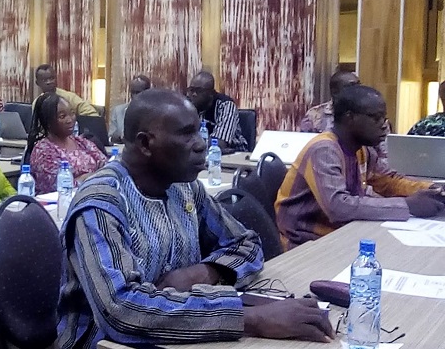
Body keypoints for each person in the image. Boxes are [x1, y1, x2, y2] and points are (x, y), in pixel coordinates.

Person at [58, 88, 334, 348]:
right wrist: (251, 318)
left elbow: (247, 244)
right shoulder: (102, 203)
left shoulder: (184, 187)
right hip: (103, 344)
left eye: (199, 131)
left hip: (177, 337)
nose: (201, 144)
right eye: (187, 134)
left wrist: (203, 272)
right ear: (145, 143)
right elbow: (122, 311)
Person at [276, 85, 444, 249]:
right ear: (349, 118)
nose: (383, 125)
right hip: (305, 243)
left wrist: (433, 189)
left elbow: (388, 181)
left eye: (384, 118)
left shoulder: (362, 149)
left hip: (341, 233)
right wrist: (408, 205)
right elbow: (338, 207)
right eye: (376, 118)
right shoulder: (324, 150)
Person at [28, 92, 107, 194]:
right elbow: (60, 187)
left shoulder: (82, 142)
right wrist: (94, 176)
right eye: (62, 116)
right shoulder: (43, 151)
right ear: (48, 122)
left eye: (72, 113)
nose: (70, 120)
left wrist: (83, 178)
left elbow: (108, 169)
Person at [187, 71, 248, 152]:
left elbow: (219, 144)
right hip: (203, 152)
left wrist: (189, 144)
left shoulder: (226, 105)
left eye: (199, 91)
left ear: (211, 93)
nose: (194, 94)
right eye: (191, 90)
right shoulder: (188, 105)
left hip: (235, 153)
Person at [32, 64, 98, 117]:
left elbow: (93, 115)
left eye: (52, 78)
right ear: (37, 83)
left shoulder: (70, 97)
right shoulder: (37, 103)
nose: (49, 82)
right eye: (44, 80)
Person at [109, 75, 151, 144]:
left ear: (147, 93)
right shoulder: (118, 111)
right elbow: (110, 137)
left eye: (138, 92)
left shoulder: (154, 113)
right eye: (132, 92)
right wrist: (115, 137)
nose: (134, 96)